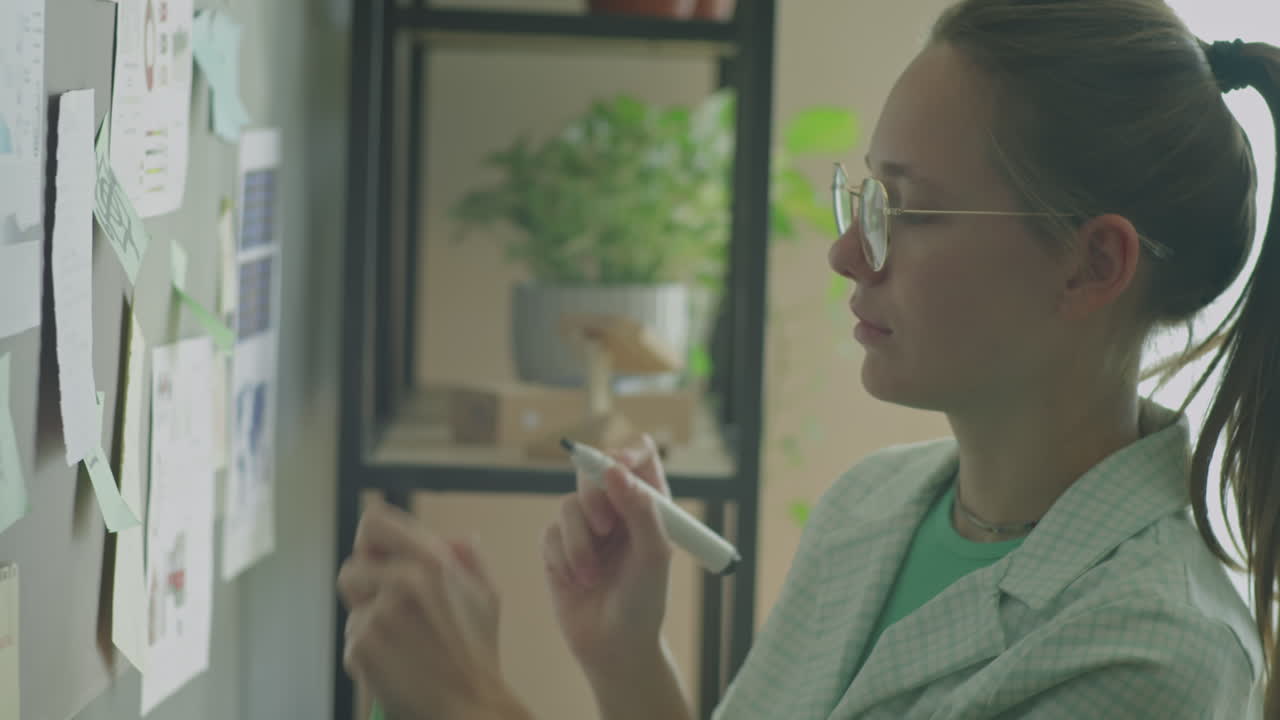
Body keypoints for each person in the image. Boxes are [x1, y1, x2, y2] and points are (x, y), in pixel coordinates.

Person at [336, 0, 1280, 717]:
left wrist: (468, 702)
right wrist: (625, 655)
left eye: (907, 211)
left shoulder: (1156, 655)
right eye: (864, 197)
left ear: (1092, 262)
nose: (849, 254)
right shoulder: (871, 508)